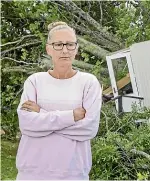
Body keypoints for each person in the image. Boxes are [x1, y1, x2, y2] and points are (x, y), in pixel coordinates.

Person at [15, 21, 102, 180]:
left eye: (70, 44)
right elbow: (27, 125)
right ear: (48, 48)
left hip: (73, 174)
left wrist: (41, 114)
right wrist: (71, 117)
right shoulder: (34, 81)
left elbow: (89, 128)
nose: (64, 50)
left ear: (76, 49)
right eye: (58, 44)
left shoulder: (89, 83)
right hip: (32, 174)